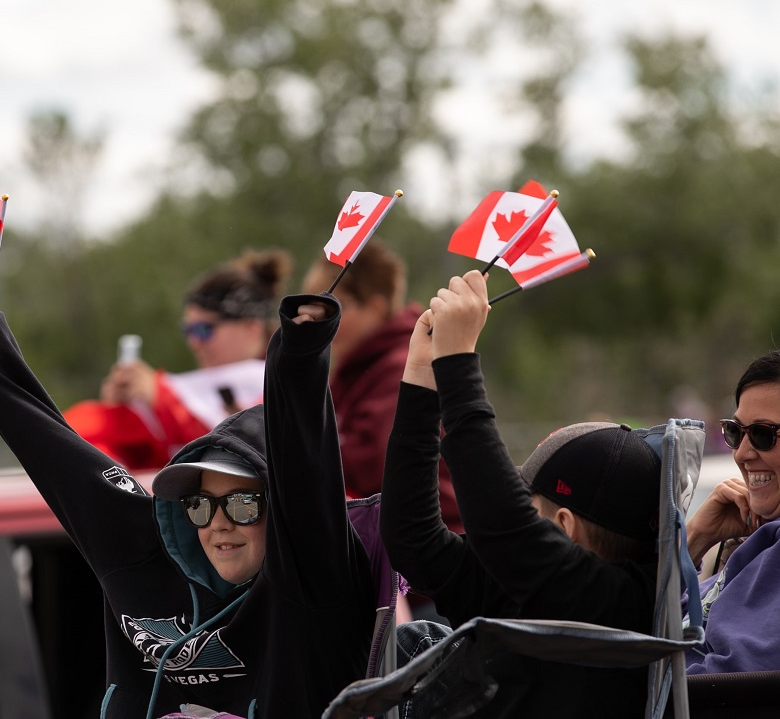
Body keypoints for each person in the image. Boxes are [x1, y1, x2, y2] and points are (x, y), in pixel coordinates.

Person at [0, 288, 377, 716]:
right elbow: (61, 462)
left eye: (242, 504)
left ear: (280, 514)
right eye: (201, 505)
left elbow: (306, 468)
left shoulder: (316, 585)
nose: (218, 524)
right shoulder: (141, 556)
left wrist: (300, 354)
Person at [379, 270, 664, 717]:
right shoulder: (520, 590)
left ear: (563, 527)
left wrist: (457, 362)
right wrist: (421, 378)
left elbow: (504, 529)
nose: (516, 512)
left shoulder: (618, 605)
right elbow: (414, 539)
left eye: (529, 504)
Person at [64, 248, 293, 471]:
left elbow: (238, 446)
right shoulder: (179, 392)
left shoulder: (285, 384)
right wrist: (122, 413)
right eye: (188, 330)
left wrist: (161, 397)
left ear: (250, 326)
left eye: (204, 329)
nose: (194, 342)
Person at [301, 241, 461, 521]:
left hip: (426, 540)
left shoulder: (401, 366)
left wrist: (300, 446)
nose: (319, 320)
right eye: (314, 308)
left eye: (334, 308)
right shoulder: (355, 368)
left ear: (375, 307)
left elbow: (377, 464)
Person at [683, 349, 780, 673]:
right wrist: (696, 537)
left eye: (764, 435)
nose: (742, 453)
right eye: (735, 432)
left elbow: (728, 686)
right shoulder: (758, 543)